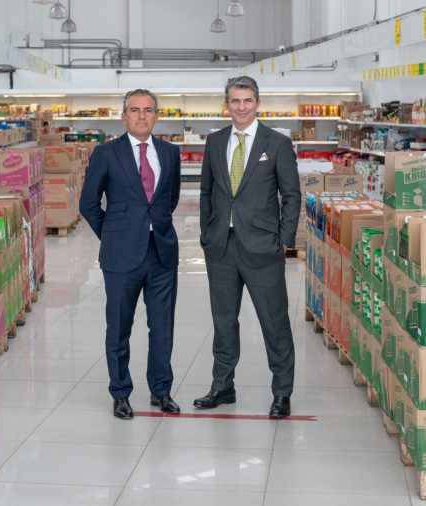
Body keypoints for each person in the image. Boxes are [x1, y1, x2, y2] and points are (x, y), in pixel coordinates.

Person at [194, 76, 301, 418]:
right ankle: (222, 387)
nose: (241, 107)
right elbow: (207, 191)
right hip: (221, 247)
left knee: (274, 321)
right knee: (224, 321)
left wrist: (283, 240)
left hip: (262, 247)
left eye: (247, 100)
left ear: (258, 103)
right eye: (235, 101)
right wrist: (207, 233)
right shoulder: (215, 141)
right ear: (226, 104)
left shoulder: (277, 143)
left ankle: (282, 392)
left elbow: (292, 195)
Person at [79, 89, 181, 419]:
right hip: (121, 255)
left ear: (156, 116)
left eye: (148, 110)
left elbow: (170, 198)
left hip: (162, 253)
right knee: (119, 327)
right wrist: (113, 235)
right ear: (124, 116)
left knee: (162, 327)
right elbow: (88, 204)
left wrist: (154, 226)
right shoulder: (106, 154)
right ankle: (120, 392)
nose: (141, 116)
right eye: (134, 110)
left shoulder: (170, 153)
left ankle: (161, 390)